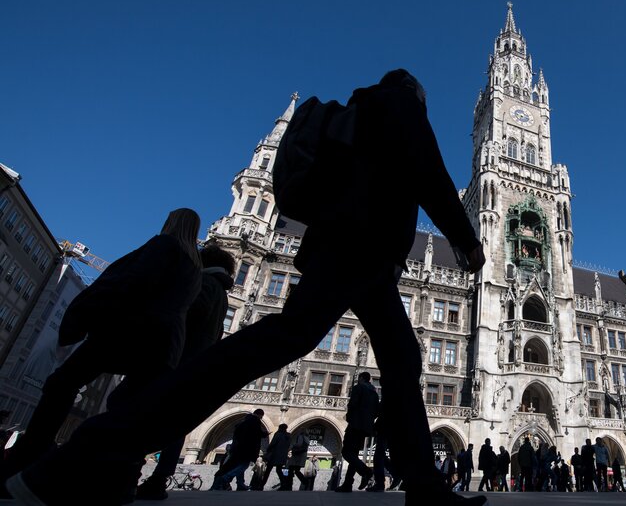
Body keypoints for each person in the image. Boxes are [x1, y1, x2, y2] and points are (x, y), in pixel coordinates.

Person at [5, 70, 486, 506]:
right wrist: (468, 243)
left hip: (353, 250)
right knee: (276, 344)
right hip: (360, 247)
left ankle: (424, 487)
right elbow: (431, 175)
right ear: (415, 95)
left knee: (399, 357)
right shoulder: (401, 106)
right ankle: (91, 451)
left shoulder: (358, 111)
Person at [1, 209, 203, 489]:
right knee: (130, 412)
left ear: (171, 223)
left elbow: (130, 283)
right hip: (164, 345)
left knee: (61, 384)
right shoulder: (194, 268)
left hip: (129, 332)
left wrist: (87, 317)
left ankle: (28, 457)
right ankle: (121, 479)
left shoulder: (165, 245)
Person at [135, 244, 236, 500]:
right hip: (198, 365)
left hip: (175, 360)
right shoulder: (223, 295)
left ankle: (130, 472)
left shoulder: (202, 284)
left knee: (143, 416)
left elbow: (184, 317)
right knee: (175, 425)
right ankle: (157, 478)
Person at [338, 372, 379, 492]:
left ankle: (366, 471)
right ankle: (347, 484)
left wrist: (350, 418)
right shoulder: (375, 393)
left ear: (361, 378)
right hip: (366, 427)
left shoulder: (359, 388)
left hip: (355, 424)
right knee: (354, 454)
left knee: (346, 452)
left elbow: (352, 405)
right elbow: (376, 411)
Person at [210, 409, 269, 490]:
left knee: (231, 466)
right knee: (243, 465)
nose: (261, 418)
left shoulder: (242, 422)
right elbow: (256, 435)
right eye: (261, 417)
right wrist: (265, 434)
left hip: (236, 449)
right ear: (260, 415)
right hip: (247, 449)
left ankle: (237, 485)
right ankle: (226, 479)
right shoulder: (255, 422)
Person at [253, 424, 290, 491]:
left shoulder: (278, 434)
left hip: (274, 455)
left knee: (268, 470)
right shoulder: (288, 436)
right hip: (282, 456)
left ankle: (261, 486)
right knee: (279, 470)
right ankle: (284, 484)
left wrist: (268, 451)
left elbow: (273, 443)